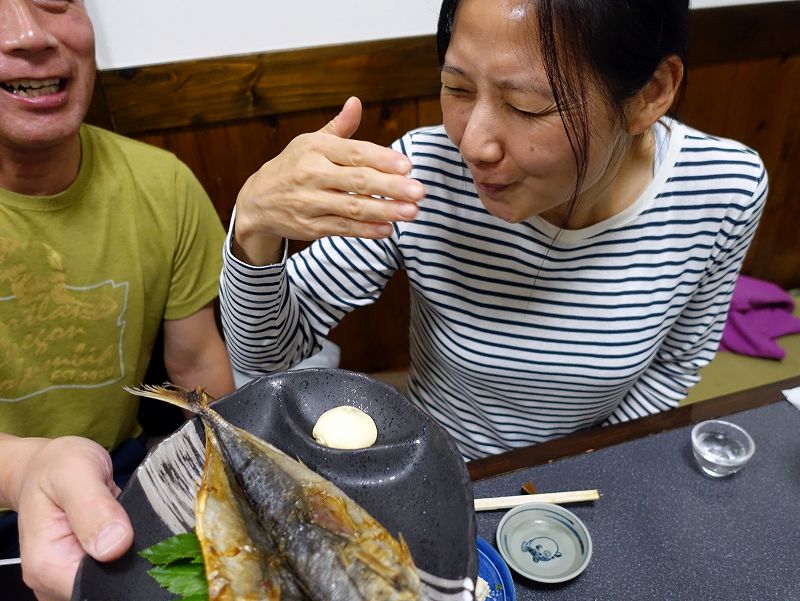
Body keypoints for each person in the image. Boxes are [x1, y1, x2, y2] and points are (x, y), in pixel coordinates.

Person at [220, 0, 766, 461]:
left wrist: (585, 464)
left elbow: (678, 362)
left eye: (527, 106)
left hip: (594, 468)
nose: (474, 145)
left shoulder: (724, 189)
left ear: (651, 92)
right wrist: (254, 228)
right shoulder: (420, 175)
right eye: (456, 88)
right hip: (434, 464)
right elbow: (269, 358)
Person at [0, 0, 234, 598]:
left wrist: (237, 484)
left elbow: (199, 367)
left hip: (120, 474)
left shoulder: (162, 184)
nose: (29, 34)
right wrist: (32, 470)